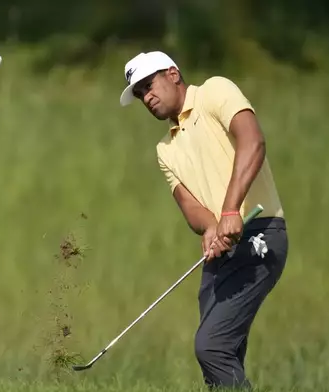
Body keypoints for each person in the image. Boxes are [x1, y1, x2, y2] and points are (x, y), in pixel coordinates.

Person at [119, 51, 288, 389]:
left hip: (260, 232)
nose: (146, 97)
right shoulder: (165, 149)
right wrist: (212, 226)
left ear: (172, 73)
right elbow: (190, 206)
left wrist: (229, 211)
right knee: (222, 358)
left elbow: (253, 141)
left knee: (211, 347)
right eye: (139, 94)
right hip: (224, 245)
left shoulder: (215, 91)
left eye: (148, 86)